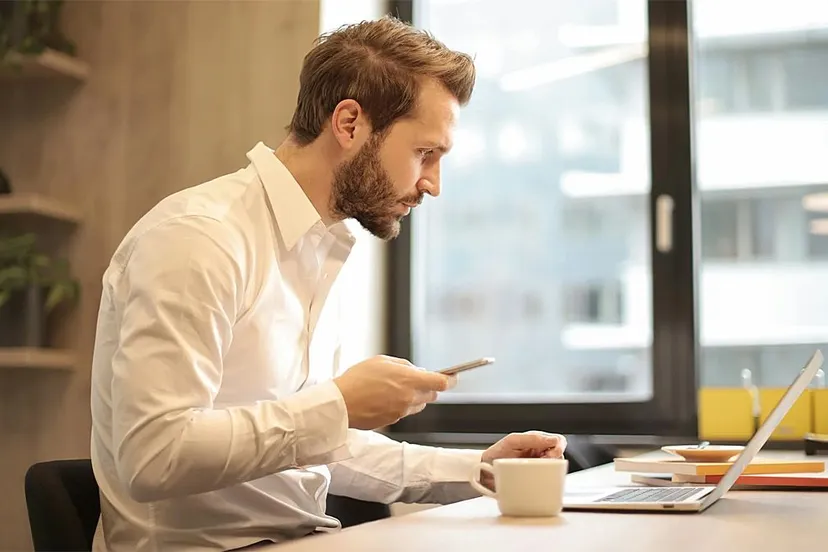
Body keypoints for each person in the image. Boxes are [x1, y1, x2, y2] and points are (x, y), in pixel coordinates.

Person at [89, 16, 567, 552]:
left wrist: (476, 468)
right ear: (348, 124)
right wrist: (337, 404)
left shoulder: (318, 248)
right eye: (424, 154)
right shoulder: (200, 239)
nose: (433, 184)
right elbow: (153, 456)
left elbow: (304, 445)